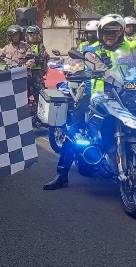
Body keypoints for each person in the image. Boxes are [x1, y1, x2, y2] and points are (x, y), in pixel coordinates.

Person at [43, 14, 131, 190]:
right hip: (94, 94)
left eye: (115, 31)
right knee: (74, 129)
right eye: (107, 31)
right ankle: (62, 174)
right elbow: (76, 63)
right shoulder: (92, 50)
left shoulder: (129, 49)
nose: (111, 35)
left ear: (121, 32)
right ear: (100, 32)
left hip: (123, 95)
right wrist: (77, 70)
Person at [25, 25, 49, 104]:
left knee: (39, 92)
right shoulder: (24, 45)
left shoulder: (40, 46)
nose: (31, 37)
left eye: (33, 35)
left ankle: (39, 110)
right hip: (26, 72)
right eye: (30, 35)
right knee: (24, 92)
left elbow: (42, 57)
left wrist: (33, 57)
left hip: (37, 72)